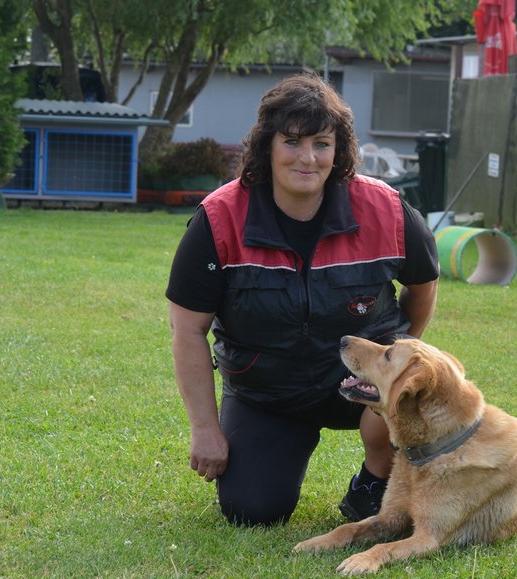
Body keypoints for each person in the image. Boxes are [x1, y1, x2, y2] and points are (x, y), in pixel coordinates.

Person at [166, 73, 439, 527]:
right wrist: (205, 430)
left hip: (364, 380)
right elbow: (188, 330)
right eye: (292, 141)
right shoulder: (218, 219)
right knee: (253, 511)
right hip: (269, 392)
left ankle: (374, 479)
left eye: (322, 143)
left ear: (340, 150)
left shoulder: (387, 210)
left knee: (425, 395)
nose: (307, 157)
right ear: (266, 146)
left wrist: (394, 364)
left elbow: (423, 288)